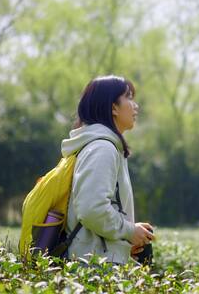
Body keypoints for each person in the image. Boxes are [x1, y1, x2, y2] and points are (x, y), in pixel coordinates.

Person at [61, 75, 154, 265]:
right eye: (128, 97)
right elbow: (91, 209)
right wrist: (128, 231)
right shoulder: (103, 149)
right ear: (113, 107)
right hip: (93, 266)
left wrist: (128, 237)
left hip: (95, 261)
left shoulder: (103, 146)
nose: (135, 106)